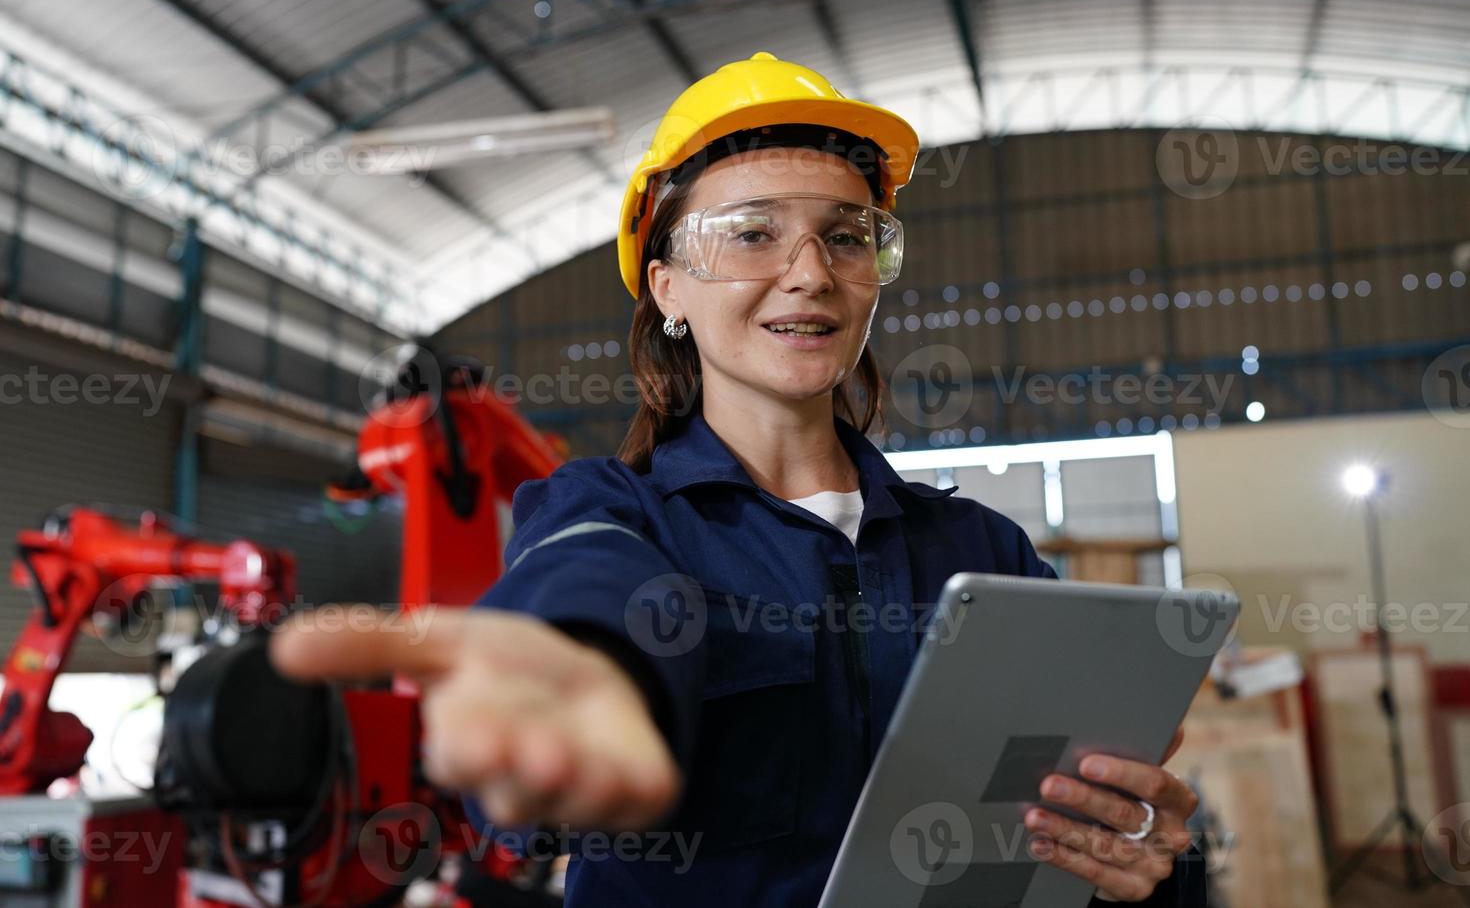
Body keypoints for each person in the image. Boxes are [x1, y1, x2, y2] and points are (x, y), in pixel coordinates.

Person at [271, 52, 1206, 906]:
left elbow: (1065, 821)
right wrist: (580, 666)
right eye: (751, 234)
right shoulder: (617, 514)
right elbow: (586, 583)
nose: (810, 274)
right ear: (667, 286)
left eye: (847, 237)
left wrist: (1127, 850)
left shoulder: (981, 551)